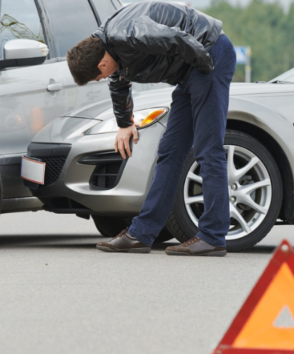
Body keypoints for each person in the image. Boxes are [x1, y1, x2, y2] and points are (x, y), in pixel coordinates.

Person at [67, 1, 236, 256]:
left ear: (101, 64)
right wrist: (124, 124)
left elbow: (178, 38)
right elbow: (118, 82)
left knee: (207, 148)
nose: (101, 79)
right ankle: (141, 234)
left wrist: (206, 72)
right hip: (191, 71)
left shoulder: (130, 33)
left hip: (208, 57)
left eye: (97, 77)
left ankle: (213, 236)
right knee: (169, 151)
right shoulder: (108, 46)